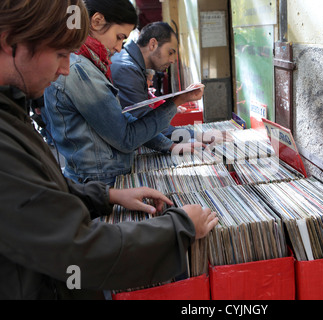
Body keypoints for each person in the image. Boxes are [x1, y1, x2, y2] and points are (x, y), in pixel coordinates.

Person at [0, 0, 218, 300]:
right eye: (61, 54)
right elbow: (76, 248)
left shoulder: (13, 108)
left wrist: (107, 196)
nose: (65, 68)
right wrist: (178, 228)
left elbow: (39, 190)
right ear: (10, 43)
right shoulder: (79, 71)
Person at [42, 0, 204, 186]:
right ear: (97, 21)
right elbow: (126, 138)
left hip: (101, 177)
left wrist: (171, 145)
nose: (119, 48)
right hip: (99, 181)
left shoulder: (91, 64)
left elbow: (122, 120)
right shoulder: (80, 70)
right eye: (119, 37)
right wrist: (176, 102)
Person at [111, 22, 197, 142]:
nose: (172, 60)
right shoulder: (127, 69)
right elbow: (144, 125)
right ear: (153, 44)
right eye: (170, 52)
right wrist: (197, 136)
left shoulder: (130, 63)